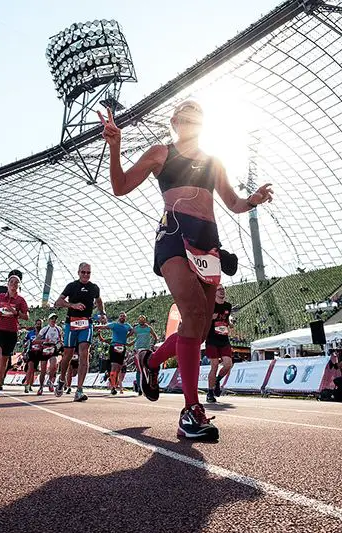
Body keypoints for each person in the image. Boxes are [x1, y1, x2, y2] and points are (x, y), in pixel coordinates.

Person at [100, 100, 273, 440]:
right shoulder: (160, 153)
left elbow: (234, 203)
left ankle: (150, 362)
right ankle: (190, 410)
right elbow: (120, 187)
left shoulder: (214, 161)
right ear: (175, 121)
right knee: (193, 312)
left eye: (198, 116)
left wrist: (252, 199)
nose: (192, 120)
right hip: (174, 237)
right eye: (186, 115)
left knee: (198, 324)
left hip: (208, 241)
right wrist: (115, 147)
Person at [54, 263, 104, 402]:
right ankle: (62, 378)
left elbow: (99, 301)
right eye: (83, 272)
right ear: (78, 272)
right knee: (67, 355)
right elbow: (58, 302)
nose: (86, 275)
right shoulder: (72, 286)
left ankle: (79, 390)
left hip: (86, 324)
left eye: (88, 272)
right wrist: (72, 305)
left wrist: (102, 312)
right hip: (71, 323)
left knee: (84, 353)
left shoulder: (94, 287)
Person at [0, 274, 29, 397]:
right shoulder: (0, 297)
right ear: (7, 284)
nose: (14, 284)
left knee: (4, 360)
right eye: (12, 282)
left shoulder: (21, 300)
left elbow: (26, 316)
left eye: (16, 283)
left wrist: (15, 312)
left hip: (11, 331)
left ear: (19, 286)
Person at [206, 285, 233, 403]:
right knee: (215, 365)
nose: (222, 291)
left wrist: (230, 322)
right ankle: (210, 392)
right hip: (212, 339)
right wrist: (210, 318)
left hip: (224, 339)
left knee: (228, 364)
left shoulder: (228, 306)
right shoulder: (210, 305)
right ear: (214, 293)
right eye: (219, 289)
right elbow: (202, 319)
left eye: (223, 289)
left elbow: (227, 318)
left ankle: (217, 381)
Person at [97, 312, 133, 395]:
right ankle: (113, 387)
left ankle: (114, 384)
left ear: (125, 318)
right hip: (114, 346)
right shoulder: (114, 325)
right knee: (114, 367)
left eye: (124, 316)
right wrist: (96, 328)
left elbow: (132, 331)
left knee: (119, 368)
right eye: (121, 316)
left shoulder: (127, 326)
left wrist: (126, 337)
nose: (122, 317)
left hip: (122, 347)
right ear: (119, 317)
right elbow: (104, 327)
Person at [36, 313, 63, 394]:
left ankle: (50, 381)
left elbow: (61, 339)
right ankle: (41, 387)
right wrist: (44, 341)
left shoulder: (59, 329)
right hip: (45, 349)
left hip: (53, 349)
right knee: (43, 371)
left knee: (53, 366)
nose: (54, 320)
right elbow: (36, 340)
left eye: (55, 319)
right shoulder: (45, 329)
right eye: (52, 319)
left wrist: (60, 343)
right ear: (49, 320)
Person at [132, 315, 158, 395]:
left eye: (143, 319)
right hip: (138, 350)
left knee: (147, 368)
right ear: (138, 321)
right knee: (139, 369)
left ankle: (147, 386)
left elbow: (155, 337)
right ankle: (140, 388)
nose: (141, 320)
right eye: (140, 319)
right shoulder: (136, 329)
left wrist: (153, 345)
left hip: (146, 350)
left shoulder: (149, 328)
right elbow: (128, 335)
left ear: (145, 320)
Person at [23, 319, 43, 393]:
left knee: (34, 370)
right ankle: (27, 385)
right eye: (37, 324)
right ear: (35, 325)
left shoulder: (43, 333)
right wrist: (25, 348)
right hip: (31, 352)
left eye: (40, 324)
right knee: (30, 368)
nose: (38, 325)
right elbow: (25, 341)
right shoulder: (30, 333)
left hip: (39, 353)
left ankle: (30, 384)